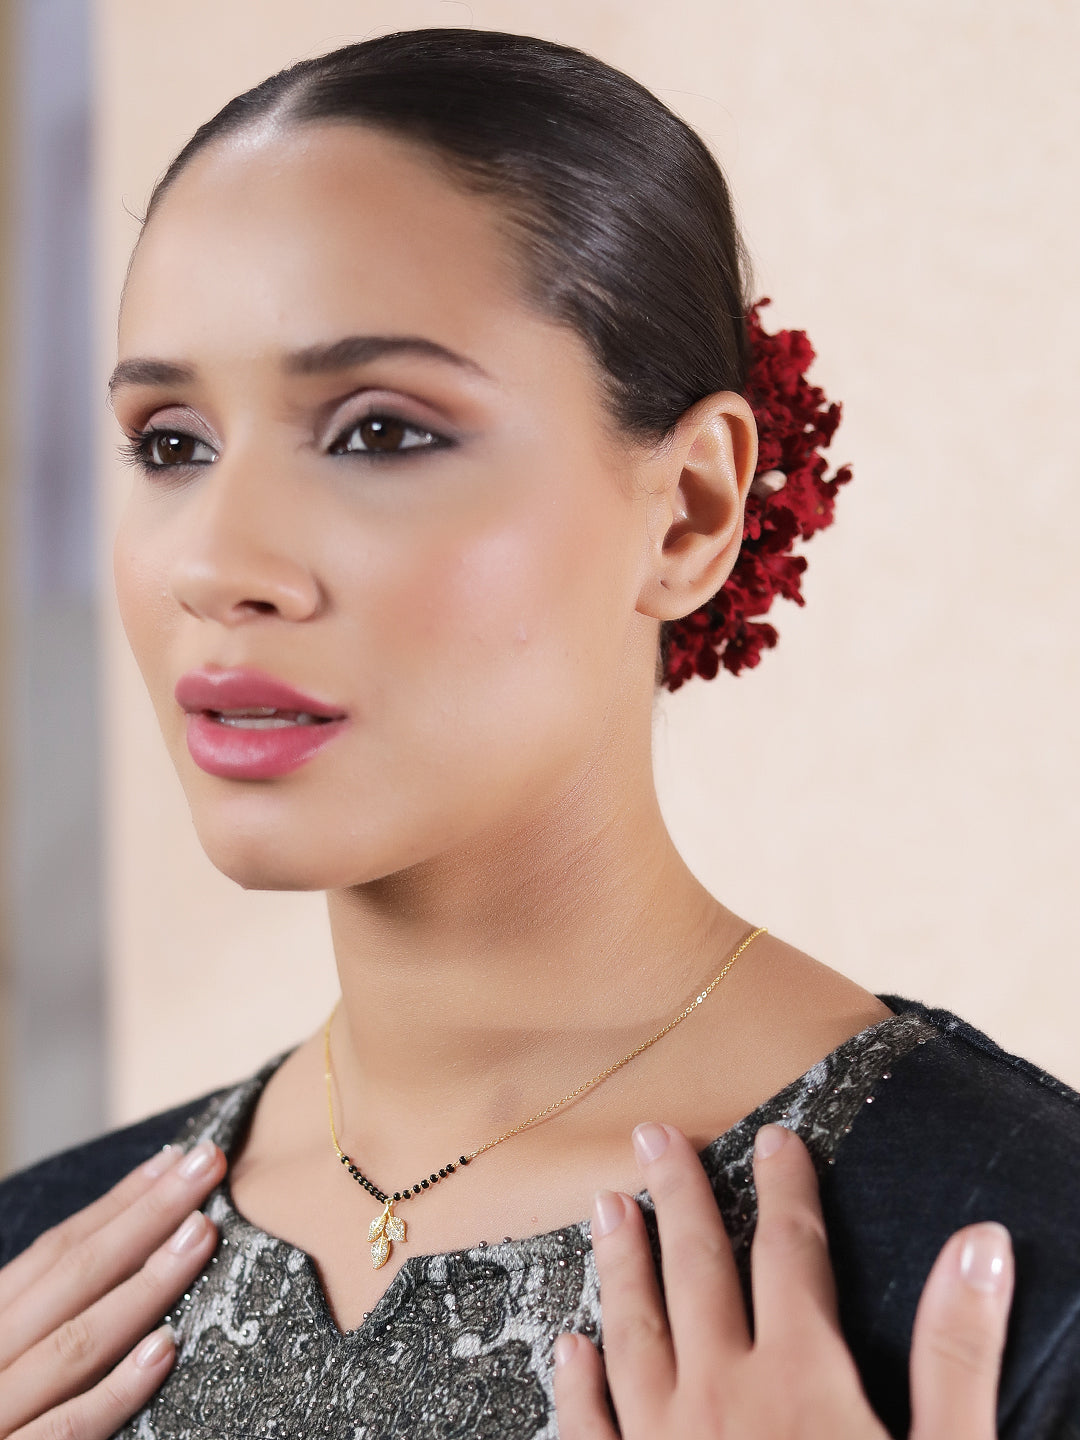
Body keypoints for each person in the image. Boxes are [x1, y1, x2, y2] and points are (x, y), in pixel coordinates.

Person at [0, 26, 1077, 1440]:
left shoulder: (1004, 1259)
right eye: (169, 444)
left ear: (690, 509)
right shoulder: (43, 1271)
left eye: (380, 433)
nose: (217, 561)